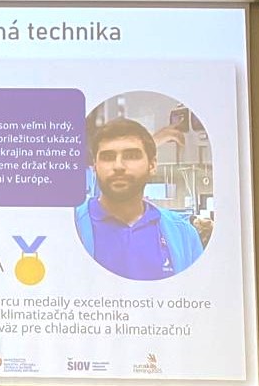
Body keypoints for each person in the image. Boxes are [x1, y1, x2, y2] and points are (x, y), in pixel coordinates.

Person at [74, 118, 204, 281]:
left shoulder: (184, 235)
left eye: (131, 155)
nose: (118, 166)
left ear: (152, 165)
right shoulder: (71, 226)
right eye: (108, 157)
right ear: (95, 166)